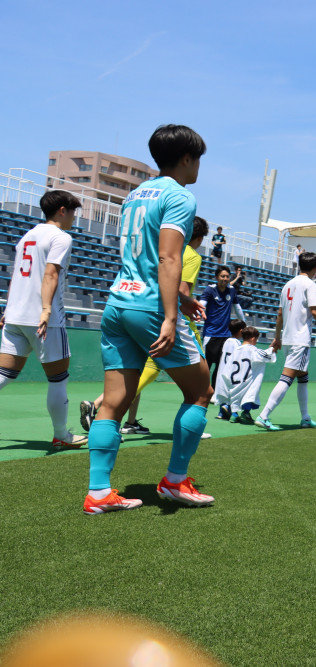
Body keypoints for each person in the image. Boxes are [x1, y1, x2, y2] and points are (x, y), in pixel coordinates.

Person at [83, 124, 213, 515]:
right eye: (198, 159)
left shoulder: (135, 194)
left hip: (118, 303)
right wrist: (171, 315)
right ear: (187, 158)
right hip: (150, 309)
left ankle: (99, 493)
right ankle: (175, 481)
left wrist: (181, 299)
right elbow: (169, 258)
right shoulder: (180, 196)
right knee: (200, 392)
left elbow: (141, 256)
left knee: (112, 403)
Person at [0, 190, 88, 449]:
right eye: (73, 212)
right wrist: (47, 310)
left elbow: (17, 276)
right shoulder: (60, 237)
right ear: (62, 210)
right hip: (44, 320)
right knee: (58, 377)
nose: (73, 218)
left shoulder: (27, 236)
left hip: (15, 316)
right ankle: (61, 435)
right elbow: (50, 274)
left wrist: (7, 309)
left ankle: (62, 434)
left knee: (4, 375)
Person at [256, 252, 316, 430]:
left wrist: (277, 337)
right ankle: (264, 415)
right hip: (300, 339)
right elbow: (314, 310)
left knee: (303, 376)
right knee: (286, 378)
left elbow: (279, 314)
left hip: (288, 339)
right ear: (315, 268)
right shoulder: (310, 284)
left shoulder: (287, 284)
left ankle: (305, 417)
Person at [215, 326, 277, 424]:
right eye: (256, 339)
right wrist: (273, 348)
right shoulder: (253, 350)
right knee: (250, 394)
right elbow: (266, 355)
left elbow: (227, 368)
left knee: (235, 398)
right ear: (253, 338)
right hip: (247, 380)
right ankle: (246, 412)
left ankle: (234, 415)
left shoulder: (236, 350)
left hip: (235, 380)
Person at [199, 266, 246, 389]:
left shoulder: (232, 290)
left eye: (227, 276)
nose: (225, 279)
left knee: (221, 366)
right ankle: (202, 391)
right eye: (222, 276)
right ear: (216, 277)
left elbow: (238, 308)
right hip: (211, 334)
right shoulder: (210, 290)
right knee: (206, 365)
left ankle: (215, 392)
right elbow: (202, 304)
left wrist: (244, 323)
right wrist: (199, 312)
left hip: (226, 336)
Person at [212, 319, 247, 420]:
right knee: (232, 392)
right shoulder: (237, 343)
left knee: (223, 391)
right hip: (232, 371)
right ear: (241, 331)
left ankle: (221, 413)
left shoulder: (226, 341)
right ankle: (229, 409)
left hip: (222, 369)